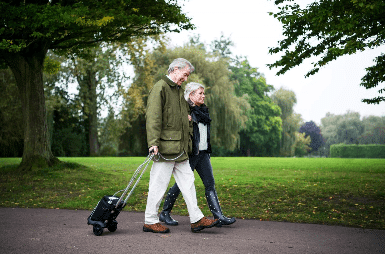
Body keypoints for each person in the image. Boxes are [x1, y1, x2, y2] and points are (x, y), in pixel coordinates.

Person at [144, 58, 219, 233]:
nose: (185, 79)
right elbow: (153, 117)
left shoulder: (178, 91)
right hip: (165, 148)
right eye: (185, 74)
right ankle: (149, 220)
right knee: (158, 184)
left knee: (188, 183)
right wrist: (153, 143)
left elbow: (183, 117)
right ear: (175, 69)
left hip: (181, 149)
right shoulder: (160, 88)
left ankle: (197, 219)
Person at [159, 82, 236, 227]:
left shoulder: (203, 111)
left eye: (203, 93)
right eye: (200, 93)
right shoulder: (185, 111)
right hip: (190, 154)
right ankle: (165, 213)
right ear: (191, 95)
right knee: (181, 185)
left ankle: (218, 217)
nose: (203, 95)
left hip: (204, 153)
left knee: (210, 184)